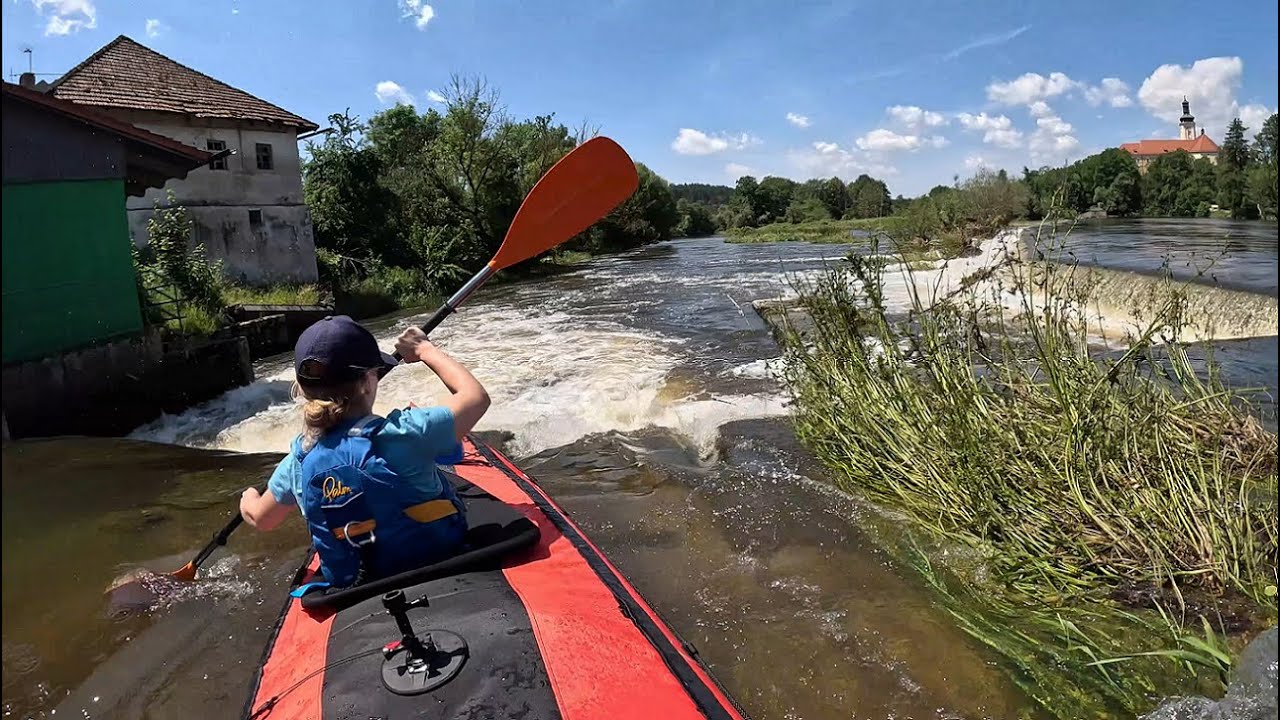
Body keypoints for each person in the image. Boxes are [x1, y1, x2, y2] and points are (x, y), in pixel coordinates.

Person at [238, 315, 490, 588]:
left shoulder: (298, 461)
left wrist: (248, 500)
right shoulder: (408, 432)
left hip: (359, 586)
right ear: (369, 381)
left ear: (301, 390)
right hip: (442, 559)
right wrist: (424, 350)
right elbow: (476, 397)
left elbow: (263, 519)